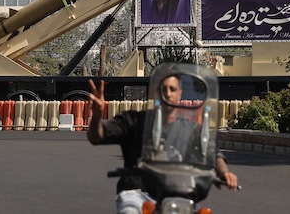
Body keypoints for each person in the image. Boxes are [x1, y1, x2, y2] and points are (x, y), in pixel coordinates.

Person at [87, 75, 238, 213]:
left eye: (172, 89)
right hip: (137, 192)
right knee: (129, 211)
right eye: (163, 89)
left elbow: (211, 151)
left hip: (178, 193)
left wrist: (224, 172)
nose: (168, 93)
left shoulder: (190, 129)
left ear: (180, 93)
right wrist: (97, 116)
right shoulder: (133, 121)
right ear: (156, 93)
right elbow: (97, 136)